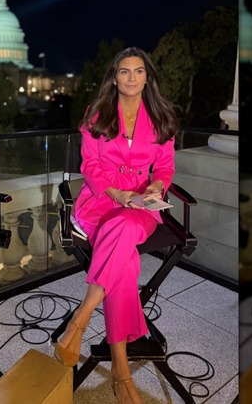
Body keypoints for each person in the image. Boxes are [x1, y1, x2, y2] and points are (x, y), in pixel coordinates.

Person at [53, 47, 180, 404]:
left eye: (139, 71)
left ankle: (81, 318)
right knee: (123, 262)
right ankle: (121, 372)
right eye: (124, 71)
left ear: (148, 78)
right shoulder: (98, 114)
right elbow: (89, 165)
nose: (132, 77)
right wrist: (115, 192)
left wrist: (157, 186)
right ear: (114, 78)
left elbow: (165, 167)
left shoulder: (162, 117)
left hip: (141, 204)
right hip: (100, 201)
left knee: (123, 229)